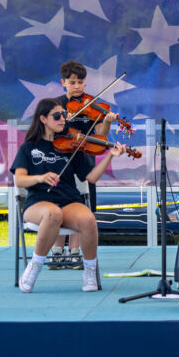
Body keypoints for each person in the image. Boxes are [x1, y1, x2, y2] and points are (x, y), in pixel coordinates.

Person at [11, 98, 126, 293]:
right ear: (43, 119)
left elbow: (91, 177)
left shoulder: (73, 145)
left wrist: (109, 156)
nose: (63, 119)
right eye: (57, 116)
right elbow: (20, 180)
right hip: (38, 203)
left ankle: (89, 271)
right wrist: (40, 178)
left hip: (68, 200)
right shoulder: (28, 147)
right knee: (52, 214)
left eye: (64, 115)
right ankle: (35, 266)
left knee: (88, 219)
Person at [51, 59, 122, 268]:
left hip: (84, 159)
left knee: (81, 204)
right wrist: (63, 119)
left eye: (80, 82)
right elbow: (47, 131)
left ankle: (75, 251)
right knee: (59, 204)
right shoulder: (56, 105)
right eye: (72, 82)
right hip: (60, 159)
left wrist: (107, 121)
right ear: (63, 82)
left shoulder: (92, 104)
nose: (77, 86)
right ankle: (56, 251)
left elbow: (101, 135)